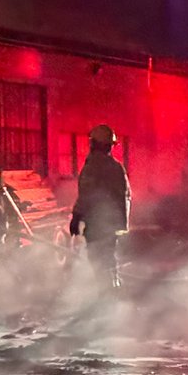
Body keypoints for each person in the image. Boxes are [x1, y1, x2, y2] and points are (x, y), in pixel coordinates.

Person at [69, 124, 131, 290]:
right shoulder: (117, 167)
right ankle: (113, 288)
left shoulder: (93, 167)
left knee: (98, 259)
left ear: (95, 143)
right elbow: (126, 195)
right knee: (108, 257)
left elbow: (87, 194)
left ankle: (106, 295)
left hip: (97, 223)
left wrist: (76, 216)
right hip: (112, 225)